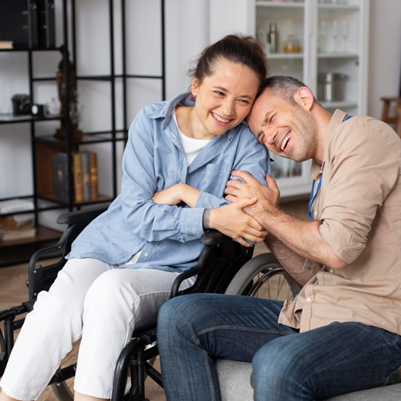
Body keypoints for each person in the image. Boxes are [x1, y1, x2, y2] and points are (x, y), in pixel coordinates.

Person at [0, 35, 271, 401]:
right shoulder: (151, 121)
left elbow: (246, 223)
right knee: (56, 306)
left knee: (111, 292)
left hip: (173, 268)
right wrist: (212, 214)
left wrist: (183, 194)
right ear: (196, 85)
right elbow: (138, 215)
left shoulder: (247, 145)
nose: (229, 109)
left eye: (244, 100)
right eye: (219, 93)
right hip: (107, 245)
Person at [157, 75, 401, 401]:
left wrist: (268, 212)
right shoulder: (322, 170)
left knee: (276, 362)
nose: (270, 137)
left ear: (304, 98)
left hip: (380, 326)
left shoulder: (363, 137)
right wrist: (267, 225)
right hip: (318, 312)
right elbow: (312, 274)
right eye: (261, 135)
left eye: (271, 119)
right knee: (179, 316)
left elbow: (336, 249)